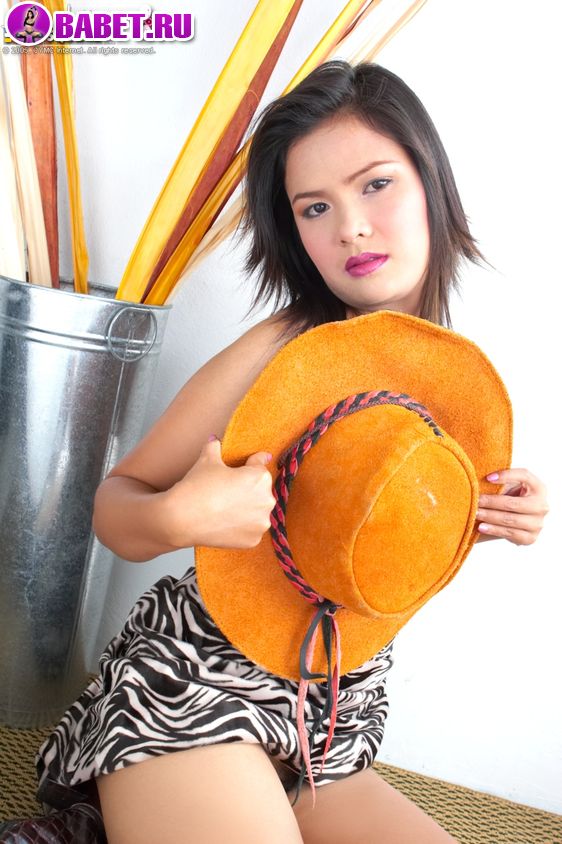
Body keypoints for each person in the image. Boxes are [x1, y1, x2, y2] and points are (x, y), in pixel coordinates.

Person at [34, 61, 548, 844]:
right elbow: (117, 503)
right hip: (196, 687)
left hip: (329, 722)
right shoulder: (283, 349)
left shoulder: (450, 385)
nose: (351, 227)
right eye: (316, 207)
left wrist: (492, 512)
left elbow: (373, 537)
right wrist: (178, 517)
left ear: (431, 182)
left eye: (376, 185)